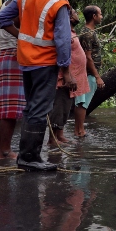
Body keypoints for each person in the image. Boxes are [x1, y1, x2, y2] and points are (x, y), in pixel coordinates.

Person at [0, 0, 76, 172]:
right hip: (45, 64)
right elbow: (62, 40)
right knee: (39, 109)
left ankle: (26, 156)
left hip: (25, 62)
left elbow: (1, 18)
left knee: (31, 108)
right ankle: (30, 158)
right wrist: (66, 71)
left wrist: (21, 36)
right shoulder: (59, 3)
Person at [0, 0, 34, 160]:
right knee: (11, 109)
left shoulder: (4, 6)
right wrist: (24, 37)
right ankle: (5, 150)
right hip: (14, 57)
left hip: (5, 57)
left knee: (5, 107)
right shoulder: (18, 8)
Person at [50, 9, 90, 146]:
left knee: (65, 107)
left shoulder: (71, 32)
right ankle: (52, 139)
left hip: (73, 78)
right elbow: (61, 51)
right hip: (64, 77)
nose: (76, 14)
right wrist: (67, 74)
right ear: (69, 17)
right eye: (74, 12)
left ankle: (59, 135)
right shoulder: (64, 32)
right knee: (59, 106)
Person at [74, 5, 105, 137]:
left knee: (83, 102)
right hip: (87, 73)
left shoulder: (89, 32)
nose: (102, 16)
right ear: (94, 16)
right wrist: (97, 76)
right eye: (100, 14)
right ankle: (79, 130)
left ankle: (79, 130)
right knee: (82, 102)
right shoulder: (87, 33)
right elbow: (88, 57)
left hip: (89, 73)